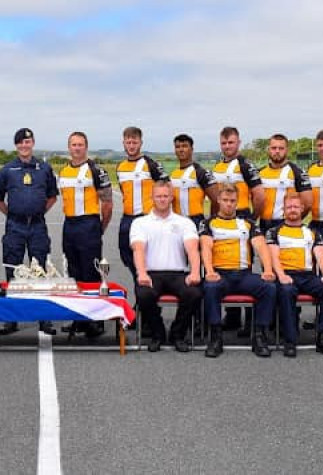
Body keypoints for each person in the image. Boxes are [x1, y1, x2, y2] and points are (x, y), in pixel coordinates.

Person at [0, 127, 59, 336]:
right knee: (13, 270)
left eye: (27, 142)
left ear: (33, 143)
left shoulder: (44, 169)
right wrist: (13, 214)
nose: (24, 145)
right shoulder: (6, 170)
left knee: (41, 271)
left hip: (38, 225)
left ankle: (43, 318)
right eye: (20, 142)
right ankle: (11, 319)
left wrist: (36, 213)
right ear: (16, 145)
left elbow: (52, 197)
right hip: (15, 226)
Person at [200, 184, 276, 358]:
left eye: (232, 201)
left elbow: (261, 246)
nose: (229, 204)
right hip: (220, 274)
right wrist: (210, 271)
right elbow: (205, 247)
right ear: (218, 200)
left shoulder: (247, 223)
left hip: (243, 275)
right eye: (225, 200)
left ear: (238, 202)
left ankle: (259, 335)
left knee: (269, 288)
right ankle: (215, 337)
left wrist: (268, 270)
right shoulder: (208, 223)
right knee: (210, 288)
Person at [130, 180, 202, 352]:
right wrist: (141, 273)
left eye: (165, 196)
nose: (162, 199)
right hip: (152, 273)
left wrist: (195, 272)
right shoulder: (140, 223)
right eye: (158, 196)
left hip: (178, 274)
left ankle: (178, 334)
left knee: (194, 292)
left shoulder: (185, 222)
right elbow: (138, 249)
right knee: (144, 294)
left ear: (171, 198)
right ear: (152, 198)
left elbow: (192, 249)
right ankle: (157, 333)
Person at [265, 195, 323, 358]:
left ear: (302, 210)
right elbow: (273, 257)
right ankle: (290, 340)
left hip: (307, 276)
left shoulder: (312, 233)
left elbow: (321, 256)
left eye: (296, 207)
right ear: (283, 210)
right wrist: (282, 275)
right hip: (285, 275)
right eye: (289, 207)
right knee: (286, 292)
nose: (292, 210)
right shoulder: (273, 232)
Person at [57, 131, 113, 339]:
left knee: (91, 274)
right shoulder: (63, 172)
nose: (77, 148)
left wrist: (99, 229)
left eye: (80, 144)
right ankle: (78, 318)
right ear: (69, 147)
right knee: (74, 273)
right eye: (73, 144)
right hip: (69, 225)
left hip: (89, 224)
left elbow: (107, 203)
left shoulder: (96, 171)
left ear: (86, 147)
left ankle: (94, 320)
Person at [210, 127, 264, 332]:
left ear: (238, 143)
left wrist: (251, 218)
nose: (227, 146)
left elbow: (259, 195)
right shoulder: (217, 166)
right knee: (223, 265)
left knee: (244, 269)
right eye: (224, 143)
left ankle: (250, 321)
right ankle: (232, 317)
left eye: (231, 142)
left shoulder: (246, 165)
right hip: (222, 219)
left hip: (242, 218)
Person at [115, 126, 166, 279]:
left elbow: (167, 189)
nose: (131, 146)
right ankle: (139, 282)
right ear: (123, 143)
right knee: (126, 253)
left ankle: (147, 296)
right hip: (128, 218)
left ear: (141, 143)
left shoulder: (151, 164)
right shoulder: (120, 167)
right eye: (128, 142)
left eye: (134, 142)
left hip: (148, 218)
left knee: (148, 258)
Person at [258, 133, 311, 234]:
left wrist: (293, 220)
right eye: (274, 148)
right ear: (269, 149)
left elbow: (307, 203)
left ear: (286, 150)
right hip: (263, 225)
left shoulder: (297, 173)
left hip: (286, 225)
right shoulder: (259, 173)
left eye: (281, 148)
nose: (277, 151)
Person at [168, 134, 214, 229]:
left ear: (192, 149)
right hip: (176, 222)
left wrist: (211, 221)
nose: (181, 149)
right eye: (177, 147)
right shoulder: (173, 175)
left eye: (184, 146)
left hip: (196, 221)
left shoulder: (201, 172)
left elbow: (217, 200)